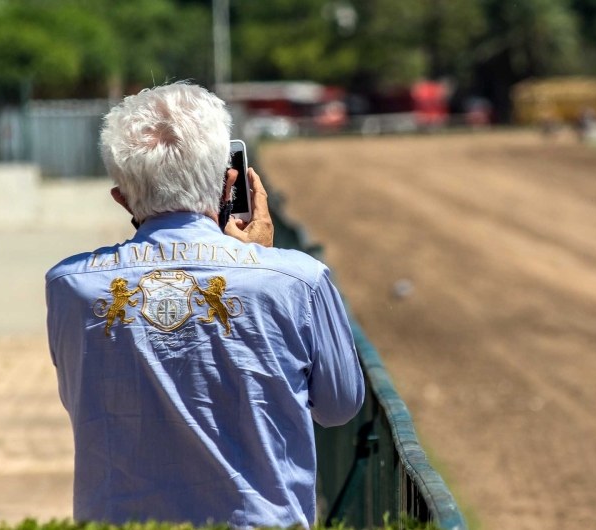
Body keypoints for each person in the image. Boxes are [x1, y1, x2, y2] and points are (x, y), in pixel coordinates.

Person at [45, 82, 365, 528]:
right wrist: (264, 261)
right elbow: (339, 407)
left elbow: (82, 398)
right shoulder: (298, 280)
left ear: (122, 198)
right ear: (230, 181)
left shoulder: (69, 286)